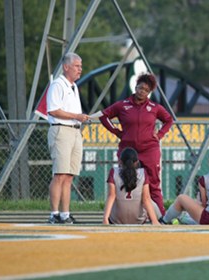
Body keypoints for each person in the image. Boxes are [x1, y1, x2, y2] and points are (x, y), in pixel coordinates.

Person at [99, 73, 173, 215]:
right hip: (128, 150)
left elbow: (169, 120)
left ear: (149, 92)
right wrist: (116, 131)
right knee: (123, 180)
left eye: (146, 90)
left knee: (153, 183)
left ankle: (161, 216)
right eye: (140, 88)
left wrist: (159, 135)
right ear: (135, 87)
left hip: (149, 149)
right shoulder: (123, 105)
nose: (142, 92)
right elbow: (104, 116)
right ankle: (121, 213)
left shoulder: (154, 107)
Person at [46, 52, 90, 224]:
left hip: (74, 131)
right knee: (60, 173)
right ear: (66, 67)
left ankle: (65, 214)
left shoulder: (74, 87)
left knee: (70, 175)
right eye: (77, 66)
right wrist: (76, 116)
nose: (80, 69)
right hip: (61, 130)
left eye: (80, 66)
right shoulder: (58, 84)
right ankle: (54, 213)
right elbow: (53, 110)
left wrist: (79, 118)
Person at [102, 148, 160, 225]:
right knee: (151, 202)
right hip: (138, 220)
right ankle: (162, 219)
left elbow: (111, 196)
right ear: (137, 162)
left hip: (117, 220)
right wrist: (154, 221)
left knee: (113, 199)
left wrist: (105, 218)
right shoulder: (143, 173)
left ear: (120, 161)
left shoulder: (114, 172)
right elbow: (146, 199)